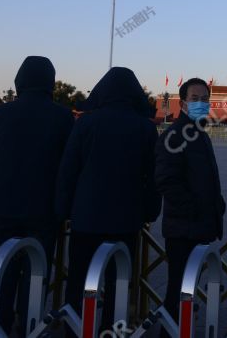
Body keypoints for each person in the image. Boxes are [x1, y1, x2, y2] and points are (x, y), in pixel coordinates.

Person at [57, 67, 160, 330]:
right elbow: (153, 176)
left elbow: (68, 170)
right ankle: (111, 329)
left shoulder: (86, 124)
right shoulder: (145, 129)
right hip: (126, 217)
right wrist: (150, 211)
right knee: (119, 280)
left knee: (79, 277)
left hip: (86, 215)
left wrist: (64, 210)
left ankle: (73, 327)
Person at [0, 56, 74, 334]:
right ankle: (31, 325)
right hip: (44, 209)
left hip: (4, 207)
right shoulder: (62, 116)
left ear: (19, 81)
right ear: (50, 82)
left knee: (4, 268)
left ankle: (0, 325)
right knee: (38, 271)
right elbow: (69, 165)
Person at [156, 78, 226, 325]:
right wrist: (194, 209)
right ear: (182, 102)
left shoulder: (198, 132)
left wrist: (216, 203)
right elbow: (166, 180)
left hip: (198, 224)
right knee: (178, 289)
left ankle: (180, 328)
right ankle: (170, 331)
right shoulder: (175, 135)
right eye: (195, 99)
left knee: (187, 288)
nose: (201, 104)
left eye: (205, 99)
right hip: (183, 227)